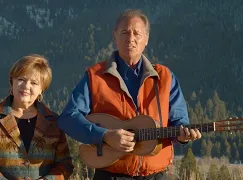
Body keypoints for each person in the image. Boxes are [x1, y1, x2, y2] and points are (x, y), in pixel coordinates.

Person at [58, 9, 201, 180]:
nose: (131, 38)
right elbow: (68, 118)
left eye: (137, 33)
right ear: (115, 36)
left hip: (156, 175)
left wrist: (183, 136)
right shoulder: (95, 76)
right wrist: (104, 135)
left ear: (146, 38)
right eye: (125, 32)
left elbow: (179, 122)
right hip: (110, 175)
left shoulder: (165, 78)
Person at [0, 54, 73, 180]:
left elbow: (65, 165)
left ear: (41, 90)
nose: (26, 86)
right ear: (12, 82)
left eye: (34, 83)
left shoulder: (53, 122)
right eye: (21, 79)